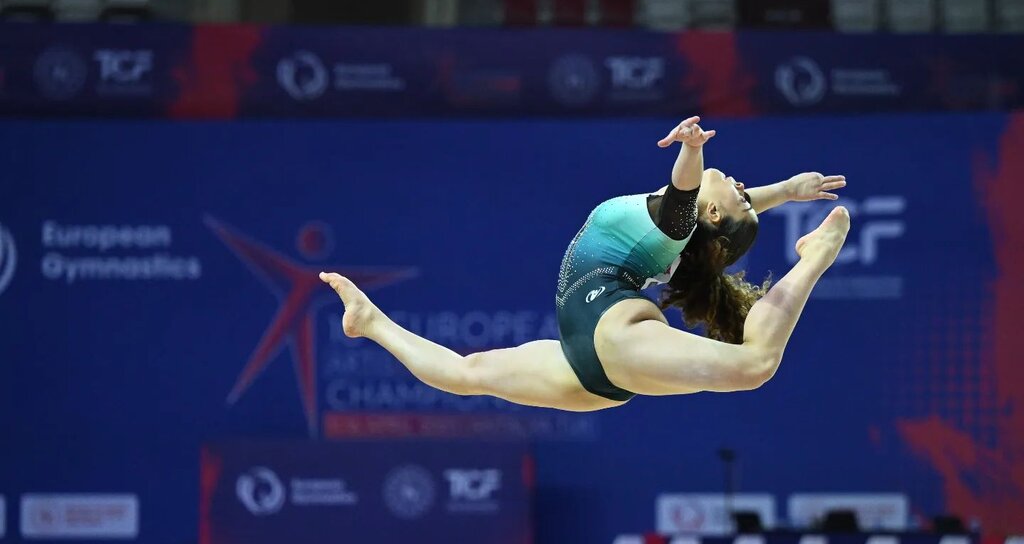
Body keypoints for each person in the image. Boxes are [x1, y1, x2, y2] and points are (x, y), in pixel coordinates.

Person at [320, 116, 850, 413]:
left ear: (711, 213)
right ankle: (370, 323)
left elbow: (686, 199)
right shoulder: (686, 236)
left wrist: (691, 150)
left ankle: (816, 258)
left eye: (740, 196)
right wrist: (785, 190)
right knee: (466, 374)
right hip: (590, 367)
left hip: (607, 330)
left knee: (754, 365)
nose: (742, 186)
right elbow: (718, 212)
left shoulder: (679, 221)